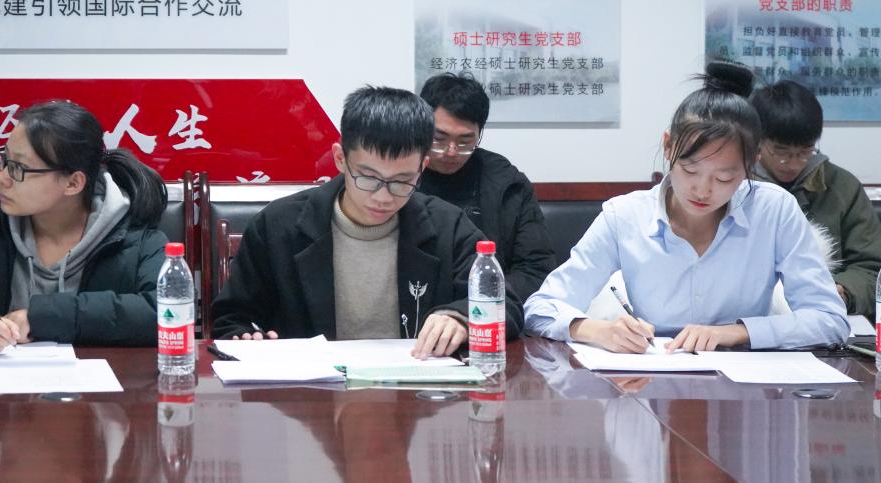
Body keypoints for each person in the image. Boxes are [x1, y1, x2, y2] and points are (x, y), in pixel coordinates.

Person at [524, 61, 849, 354]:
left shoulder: (774, 211)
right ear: (668, 146)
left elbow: (829, 319)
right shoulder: (624, 216)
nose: (703, 190)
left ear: (752, 164)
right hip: (652, 380)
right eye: (690, 170)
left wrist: (735, 333)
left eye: (724, 177)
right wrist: (599, 331)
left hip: (746, 387)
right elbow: (541, 307)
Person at [212, 86, 523, 357]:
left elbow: (505, 304)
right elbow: (231, 318)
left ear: (422, 167)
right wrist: (248, 337)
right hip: (311, 397)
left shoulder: (447, 226)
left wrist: (460, 317)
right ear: (340, 159)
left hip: (415, 393)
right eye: (369, 178)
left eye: (402, 181)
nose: (383, 197)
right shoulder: (278, 226)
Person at [0, 100, 169, 356]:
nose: (1, 178)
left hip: (103, 392)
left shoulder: (132, 234)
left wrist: (39, 318)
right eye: (4, 160)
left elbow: (167, 312)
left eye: (18, 169)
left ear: (73, 183)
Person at [418, 72, 558, 300]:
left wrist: (476, 305)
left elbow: (536, 269)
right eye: (439, 138)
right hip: (417, 307)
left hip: (489, 310)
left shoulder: (507, 183)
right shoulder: (400, 177)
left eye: (465, 141)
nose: (451, 152)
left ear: (480, 133)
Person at [749, 80, 881, 320]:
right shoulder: (734, 184)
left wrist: (843, 292)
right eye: (781, 151)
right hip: (747, 318)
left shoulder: (842, 187)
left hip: (824, 318)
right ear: (758, 140)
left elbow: (871, 267)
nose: (793, 163)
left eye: (805, 151)